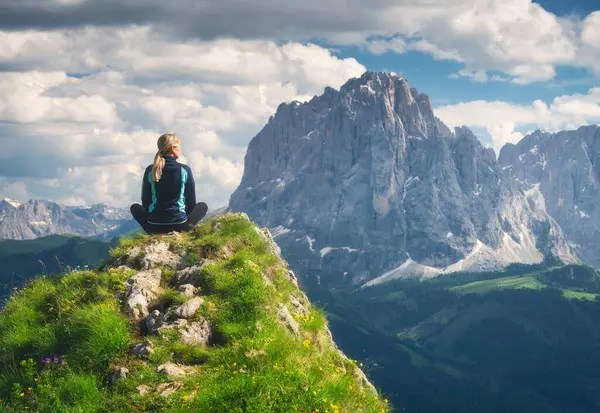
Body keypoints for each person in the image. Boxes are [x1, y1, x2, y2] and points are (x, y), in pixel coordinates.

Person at [130, 133, 208, 234]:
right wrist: (185, 218)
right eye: (179, 147)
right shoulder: (185, 170)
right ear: (172, 148)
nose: (180, 150)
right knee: (202, 206)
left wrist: (152, 217)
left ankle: (150, 230)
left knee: (135, 207)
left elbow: (146, 200)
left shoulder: (150, 170)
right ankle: (185, 229)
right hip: (179, 225)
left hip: (154, 225)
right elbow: (190, 200)